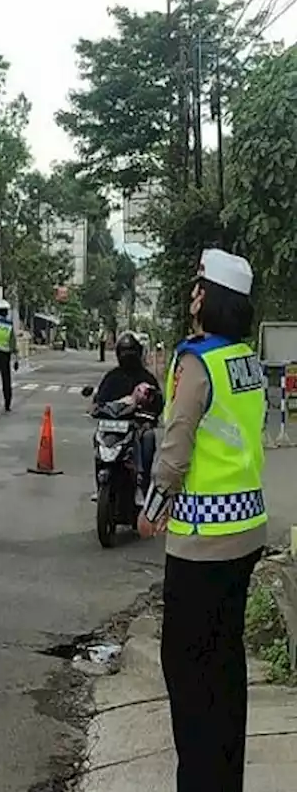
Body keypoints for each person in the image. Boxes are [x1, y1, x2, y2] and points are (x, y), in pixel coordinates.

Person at [139, 249, 266, 792]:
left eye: (198, 289)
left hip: (201, 540)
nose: (192, 297)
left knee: (187, 673)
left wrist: (152, 507)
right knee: (226, 666)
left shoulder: (197, 361)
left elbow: (177, 443)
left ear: (211, 301)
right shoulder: (244, 359)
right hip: (247, 532)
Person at [92, 331, 165, 488]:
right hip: (115, 427)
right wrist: (97, 407)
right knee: (97, 437)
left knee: (148, 438)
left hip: (138, 426)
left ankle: (142, 482)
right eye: (124, 351)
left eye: (131, 351)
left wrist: (149, 416)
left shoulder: (147, 377)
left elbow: (158, 402)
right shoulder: (112, 377)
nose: (127, 355)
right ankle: (100, 481)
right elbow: (99, 399)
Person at [0, 300, 18, 411]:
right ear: (7, 312)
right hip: (5, 356)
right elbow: (13, 342)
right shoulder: (9, 325)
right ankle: (7, 405)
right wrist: (16, 357)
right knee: (6, 381)